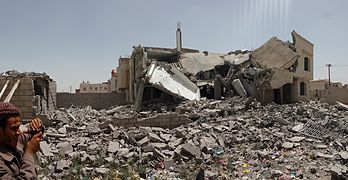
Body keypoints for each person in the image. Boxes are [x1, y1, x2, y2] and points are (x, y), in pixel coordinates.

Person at [0, 102, 43, 179]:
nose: (19, 132)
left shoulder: (15, 139)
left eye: (18, 127)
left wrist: (38, 125)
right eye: (13, 128)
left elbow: (34, 135)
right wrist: (29, 152)